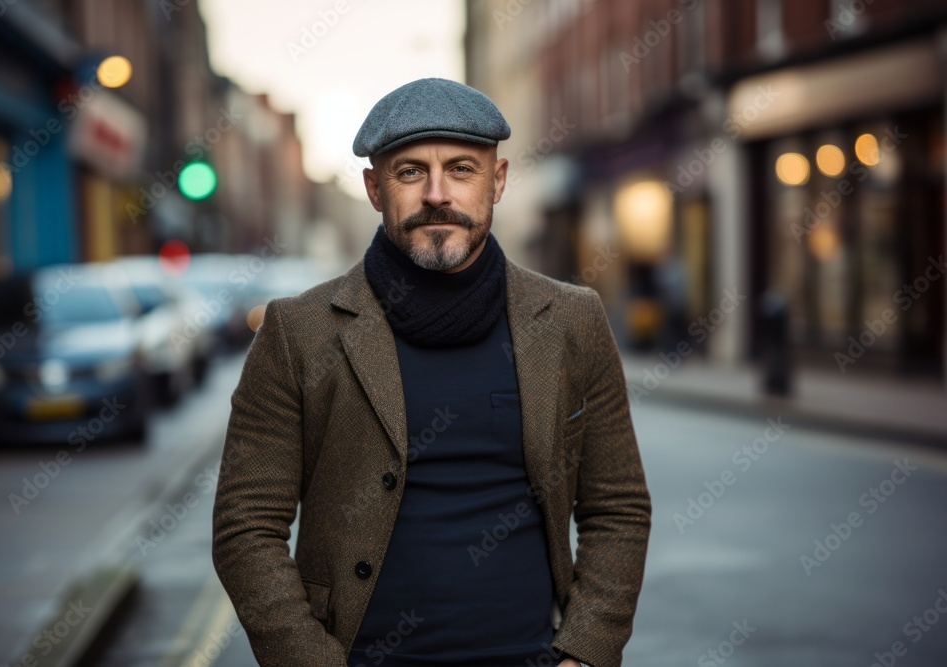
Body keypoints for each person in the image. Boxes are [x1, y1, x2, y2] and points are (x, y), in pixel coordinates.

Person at [212, 77, 651, 667]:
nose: (437, 193)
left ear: (497, 180)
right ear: (374, 188)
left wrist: (586, 653)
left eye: (462, 169)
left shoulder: (572, 320)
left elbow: (618, 506)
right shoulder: (299, 332)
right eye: (411, 172)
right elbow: (246, 528)